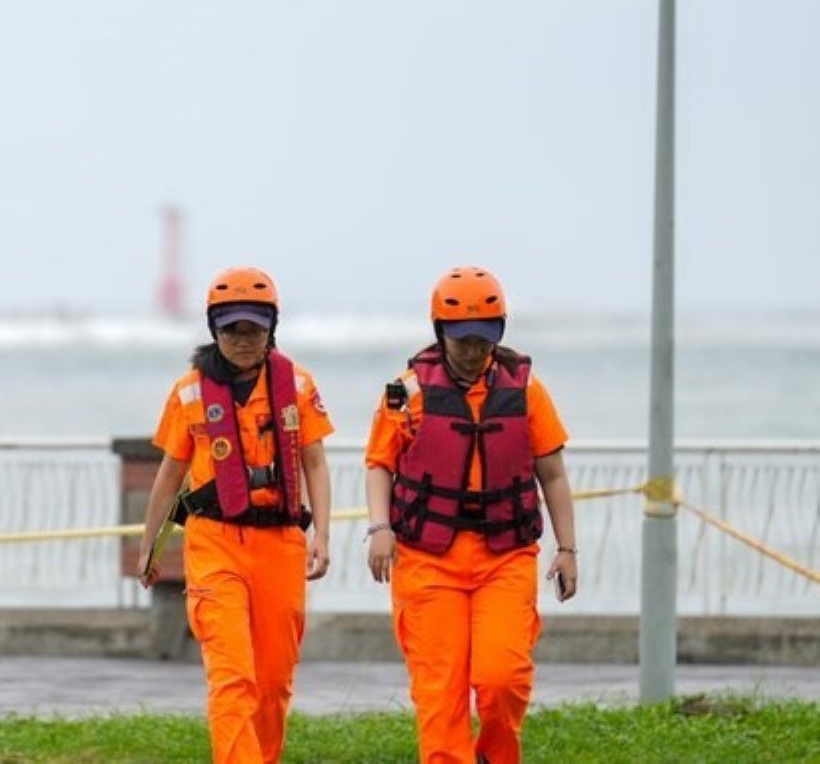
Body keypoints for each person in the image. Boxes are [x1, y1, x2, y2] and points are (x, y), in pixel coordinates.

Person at [363, 266, 579, 764]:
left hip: (506, 557)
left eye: (484, 338)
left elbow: (554, 474)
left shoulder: (526, 392)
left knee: (503, 679)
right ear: (440, 333)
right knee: (441, 695)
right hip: (427, 559)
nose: (472, 349)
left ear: (499, 333)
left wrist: (568, 549)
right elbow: (380, 465)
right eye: (461, 339)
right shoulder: (407, 392)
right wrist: (380, 528)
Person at [137, 266, 334, 764]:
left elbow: (314, 461)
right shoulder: (189, 392)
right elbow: (169, 472)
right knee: (232, 676)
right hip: (214, 544)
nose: (243, 340)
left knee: (272, 682)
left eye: (253, 329)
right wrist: (149, 544)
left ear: (271, 328)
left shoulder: (300, 385)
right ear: (214, 331)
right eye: (231, 330)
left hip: (281, 545)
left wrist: (323, 537)